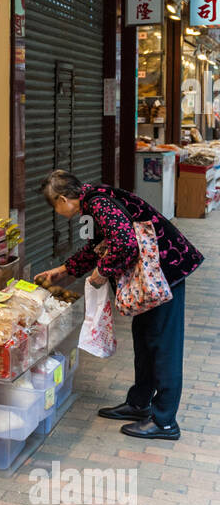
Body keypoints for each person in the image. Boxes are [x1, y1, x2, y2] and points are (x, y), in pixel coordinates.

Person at [36, 171, 203, 442]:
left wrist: (102, 272)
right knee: (145, 339)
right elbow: (97, 247)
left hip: (164, 276)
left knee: (163, 346)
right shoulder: (92, 205)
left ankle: (165, 421)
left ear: (63, 199)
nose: (58, 213)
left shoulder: (98, 203)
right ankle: (139, 404)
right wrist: (63, 270)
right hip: (150, 282)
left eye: (55, 207)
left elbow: (125, 243)